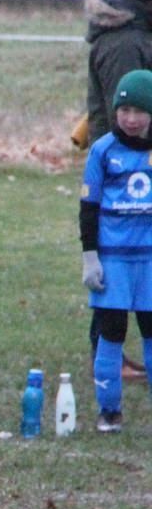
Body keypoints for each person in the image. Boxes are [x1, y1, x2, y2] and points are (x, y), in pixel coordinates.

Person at [83, 0, 152, 381]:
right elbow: (128, 113)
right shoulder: (126, 44)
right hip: (120, 170)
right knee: (112, 261)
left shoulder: (136, 34)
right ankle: (107, 350)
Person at [81, 70, 152, 431]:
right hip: (113, 261)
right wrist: (90, 257)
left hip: (150, 260)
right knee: (111, 333)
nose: (131, 118)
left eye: (140, 110)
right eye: (124, 109)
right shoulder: (103, 150)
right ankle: (109, 411)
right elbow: (89, 208)